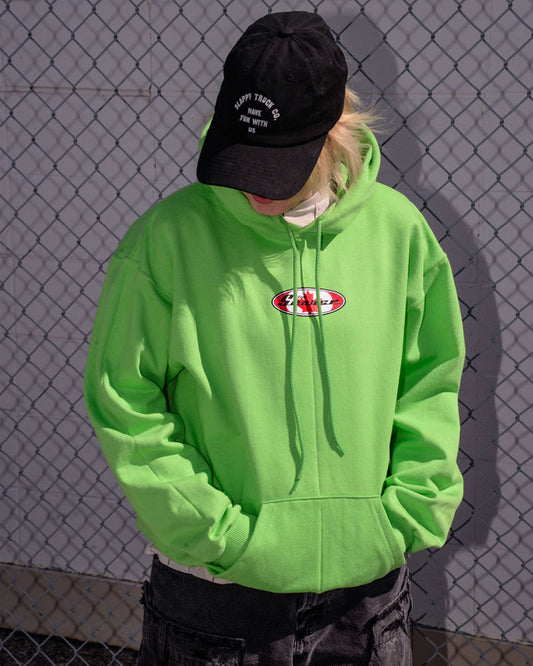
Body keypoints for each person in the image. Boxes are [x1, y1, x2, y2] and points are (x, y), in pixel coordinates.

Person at [84, 10, 465, 665]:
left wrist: (403, 514)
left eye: (279, 165)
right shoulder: (167, 239)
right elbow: (124, 398)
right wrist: (220, 535)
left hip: (364, 602)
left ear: (335, 133)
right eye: (242, 157)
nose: (254, 187)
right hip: (216, 600)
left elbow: (429, 379)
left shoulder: (399, 235)